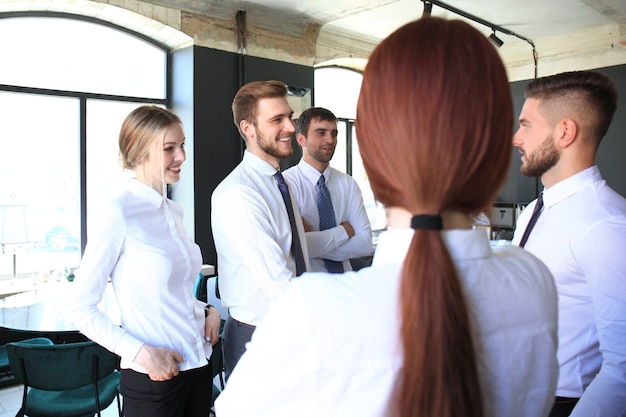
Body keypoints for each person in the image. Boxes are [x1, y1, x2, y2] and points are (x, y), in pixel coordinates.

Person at [215, 17, 558, 417]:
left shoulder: (314, 314)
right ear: (501, 150)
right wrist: (341, 233)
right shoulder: (532, 279)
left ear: (371, 155)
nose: (292, 127)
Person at [68, 105, 221, 417]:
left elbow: (174, 288)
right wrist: (141, 354)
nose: (181, 157)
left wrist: (207, 310)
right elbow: (79, 308)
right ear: (138, 152)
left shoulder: (172, 211)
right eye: (169, 148)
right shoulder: (118, 213)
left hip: (199, 367)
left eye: (182, 145)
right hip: (155, 380)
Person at [512, 70, 626, 416]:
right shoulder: (534, 209)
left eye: (526, 125)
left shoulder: (606, 225)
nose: (517, 138)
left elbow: (623, 366)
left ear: (565, 131)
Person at [211, 80, 310, 380]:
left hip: (289, 325)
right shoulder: (238, 194)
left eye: (289, 117)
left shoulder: (280, 183)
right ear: (248, 129)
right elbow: (278, 282)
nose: (291, 127)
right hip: (258, 336)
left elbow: (294, 252)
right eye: (277, 120)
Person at [283, 107, 372, 273]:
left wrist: (316, 247)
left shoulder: (348, 184)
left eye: (334, 133)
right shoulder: (286, 185)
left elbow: (365, 243)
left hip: (345, 284)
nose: (330, 140)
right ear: (301, 139)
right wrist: (344, 231)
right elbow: (293, 247)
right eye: (321, 132)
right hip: (308, 288)